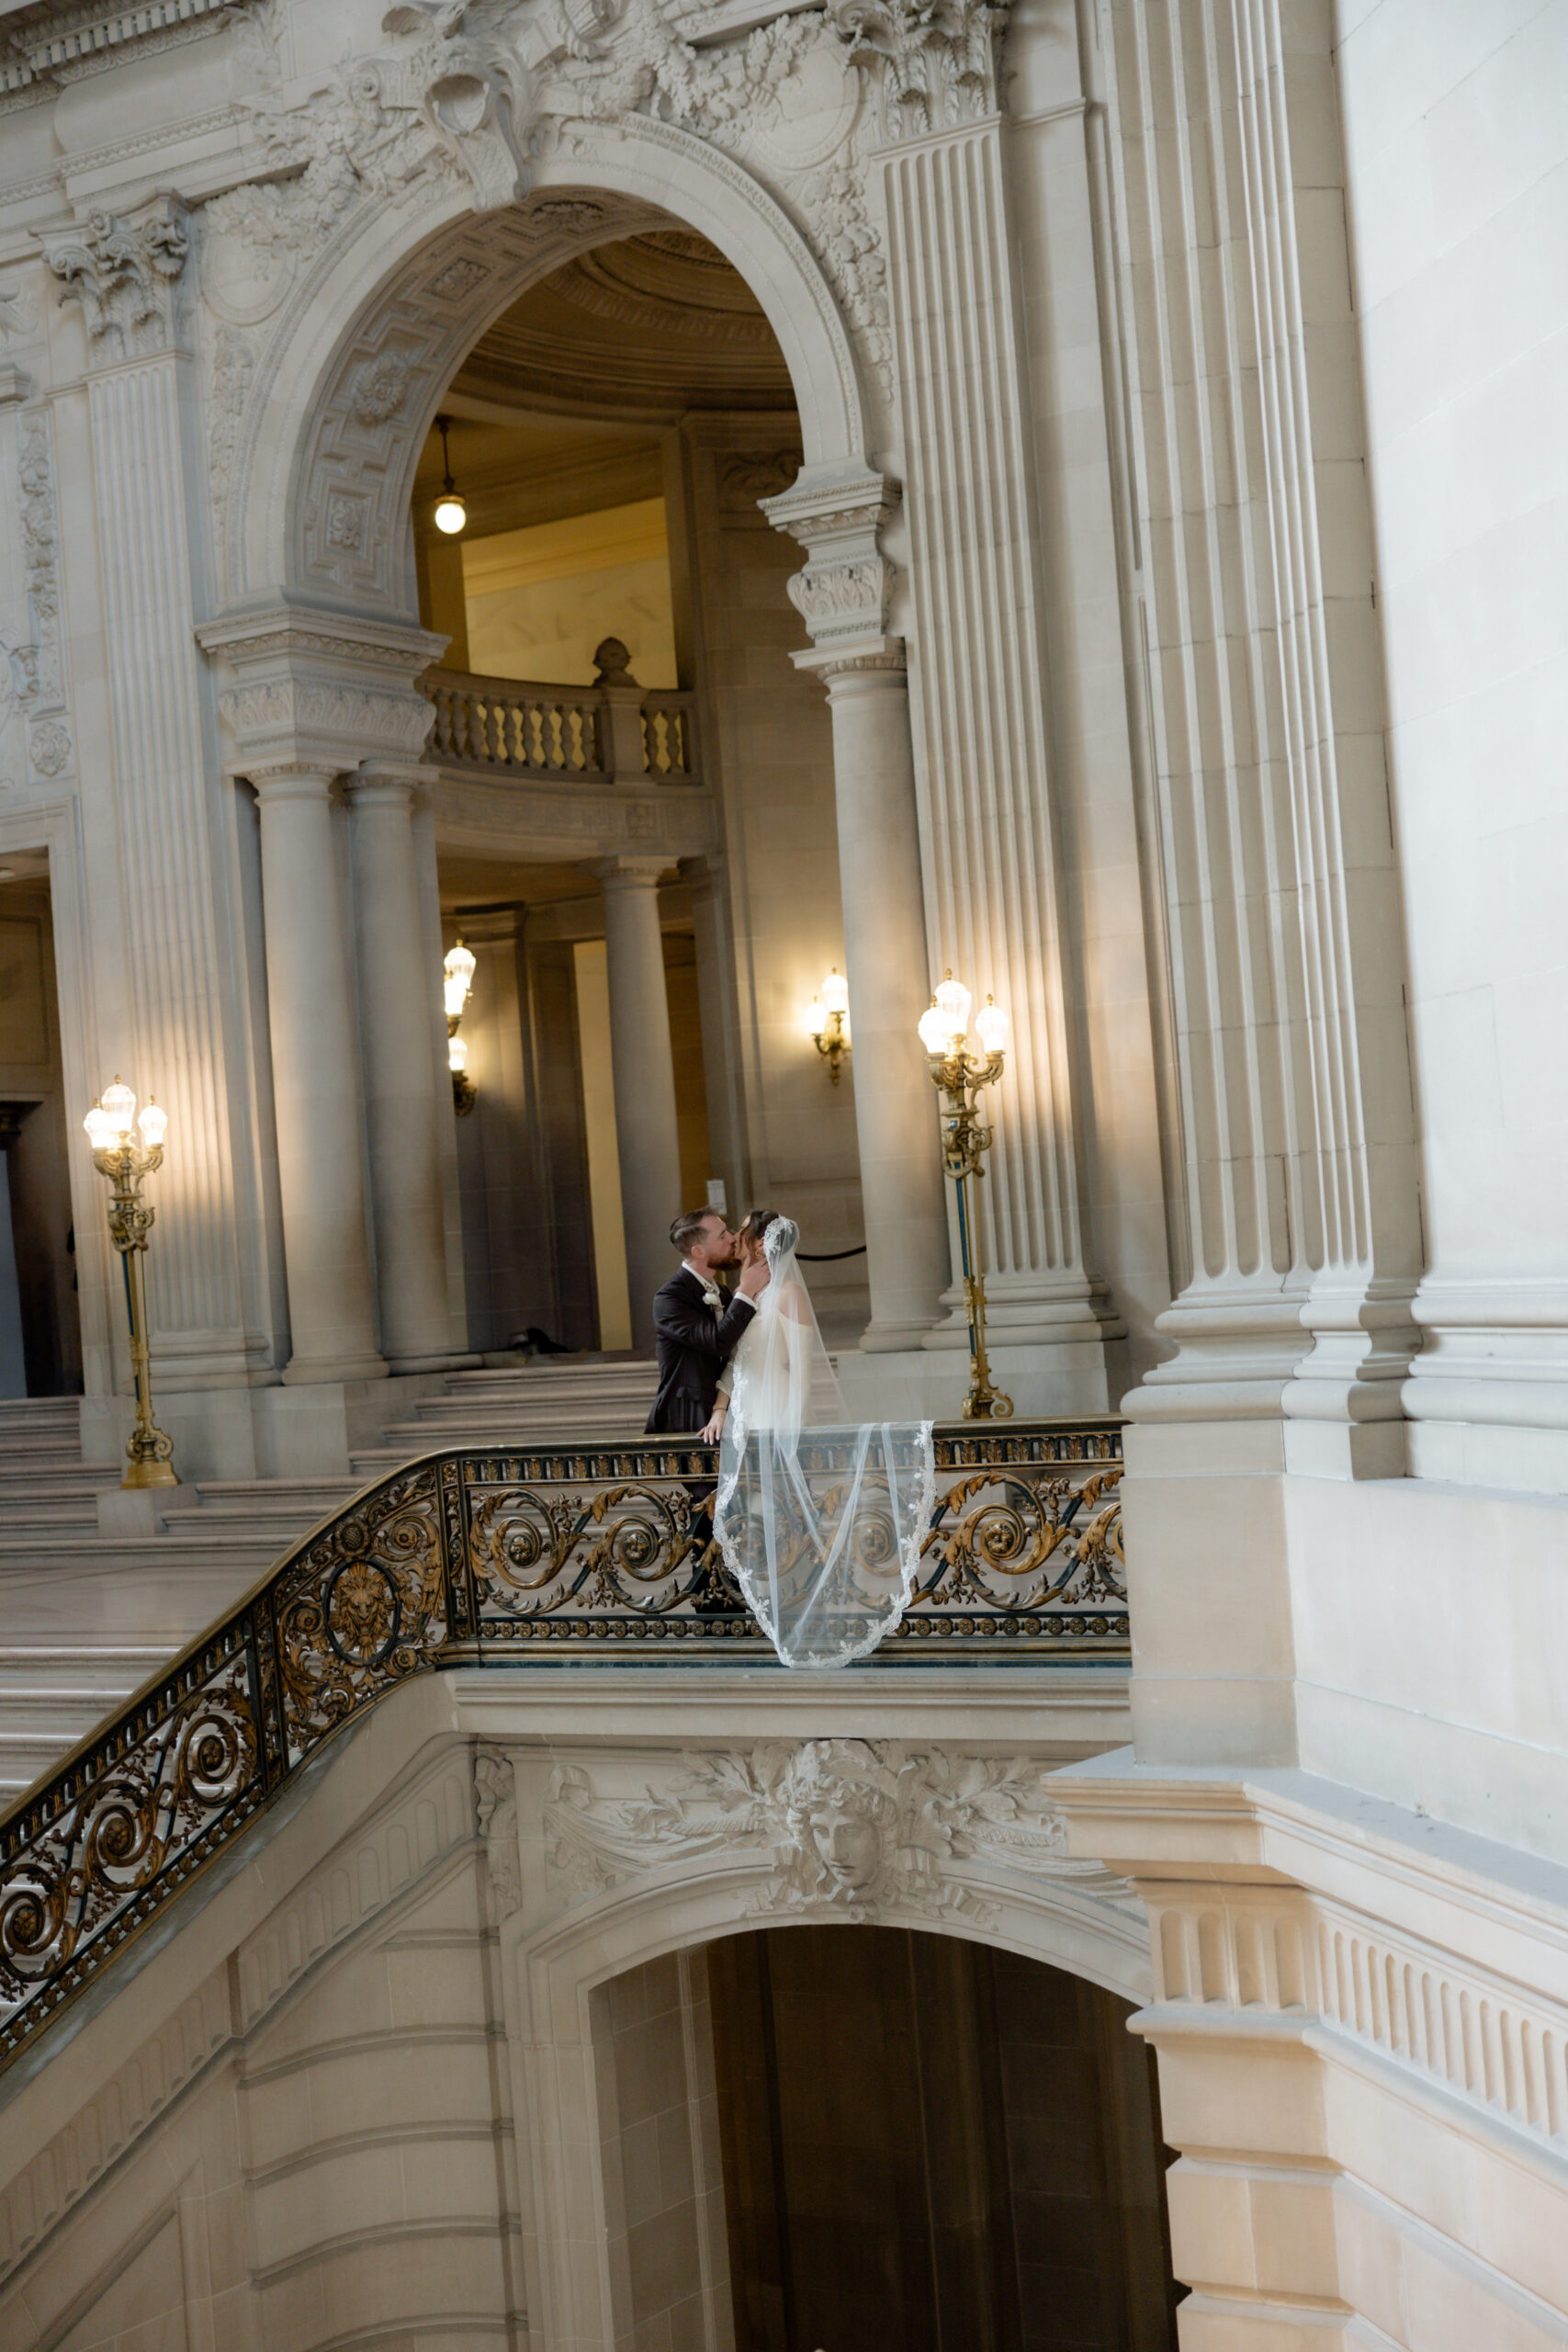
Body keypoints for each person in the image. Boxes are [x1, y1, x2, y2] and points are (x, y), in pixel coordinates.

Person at [709, 1208, 936, 1669]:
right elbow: (735, 1362)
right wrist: (721, 1409)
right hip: (744, 1416)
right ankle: (765, 1612)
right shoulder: (749, 1292)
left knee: (780, 1512)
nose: (735, 1235)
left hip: (774, 1412)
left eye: (743, 1229)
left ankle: (797, 1611)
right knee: (750, 1514)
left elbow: (801, 1369)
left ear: (758, 1242)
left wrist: (790, 1426)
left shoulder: (789, 1294)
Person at [645, 1207, 770, 1436]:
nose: (733, 1238)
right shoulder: (669, 1299)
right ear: (698, 1251)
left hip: (728, 1409)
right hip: (687, 1416)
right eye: (722, 1236)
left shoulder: (721, 1292)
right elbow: (718, 1342)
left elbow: (736, 1352)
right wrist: (746, 1291)